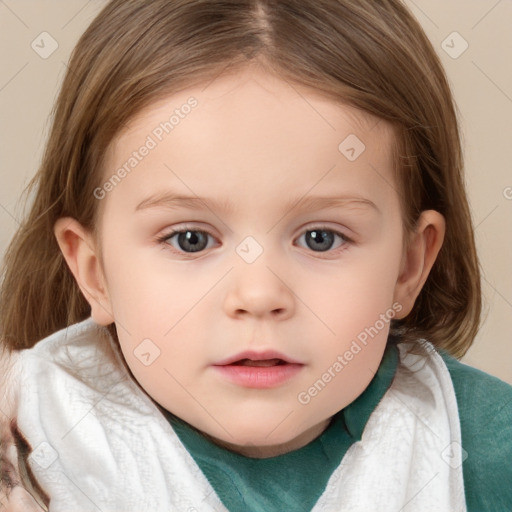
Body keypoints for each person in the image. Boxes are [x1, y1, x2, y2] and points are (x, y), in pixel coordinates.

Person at [0, 0, 510, 510]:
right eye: (190, 239)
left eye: (320, 238)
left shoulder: (485, 451)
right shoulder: (28, 435)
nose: (259, 295)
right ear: (94, 273)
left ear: (407, 267)